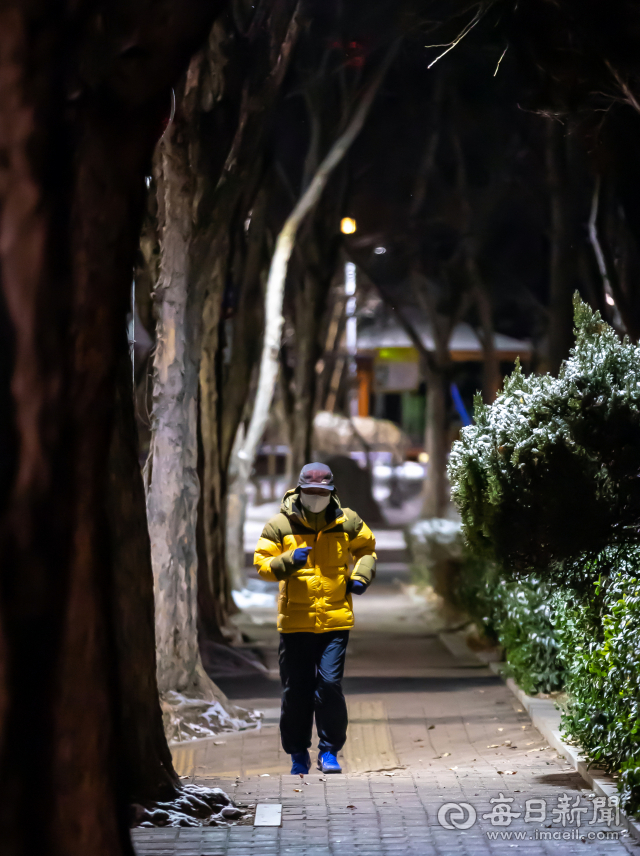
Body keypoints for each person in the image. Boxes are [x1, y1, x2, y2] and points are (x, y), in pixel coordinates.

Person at [254, 462, 376, 775]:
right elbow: (262, 564)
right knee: (297, 689)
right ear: (300, 490)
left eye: (322, 493)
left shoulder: (346, 520)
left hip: (335, 622)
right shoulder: (280, 524)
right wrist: (286, 562)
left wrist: (361, 577)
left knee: (330, 685)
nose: (316, 497)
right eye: (311, 492)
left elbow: (366, 550)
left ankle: (330, 750)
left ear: (331, 492)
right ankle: (297, 753)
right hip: (295, 623)